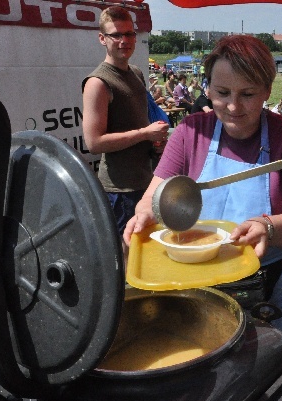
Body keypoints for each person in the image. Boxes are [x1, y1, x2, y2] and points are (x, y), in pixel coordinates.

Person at [123, 35, 282, 346]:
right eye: (222, 93)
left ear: (267, 91)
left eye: (247, 94)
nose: (233, 106)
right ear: (207, 89)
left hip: (278, 281)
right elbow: (152, 196)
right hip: (206, 281)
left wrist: (268, 226)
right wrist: (146, 213)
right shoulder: (190, 132)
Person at [82, 6, 169, 235]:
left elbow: (140, 122)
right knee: (127, 253)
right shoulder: (97, 83)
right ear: (102, 39)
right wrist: (145, 134)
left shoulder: (137, 73)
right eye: (116, 35)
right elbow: (94, 143)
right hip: (119, 189)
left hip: (145, 181)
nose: (124, 40)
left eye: (129, 34)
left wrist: (155, 142)